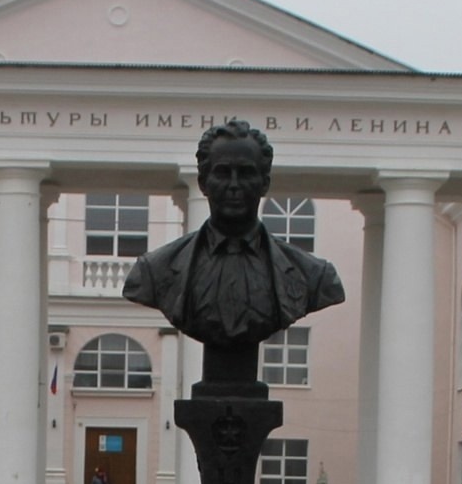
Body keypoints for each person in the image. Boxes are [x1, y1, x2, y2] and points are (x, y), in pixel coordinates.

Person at [122, 119, 346, 351]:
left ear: (264, 184)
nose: (234, 185)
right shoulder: (154, 271)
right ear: (203, 183)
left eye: (246, 173)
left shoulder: (315, 277)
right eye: (223, 173)